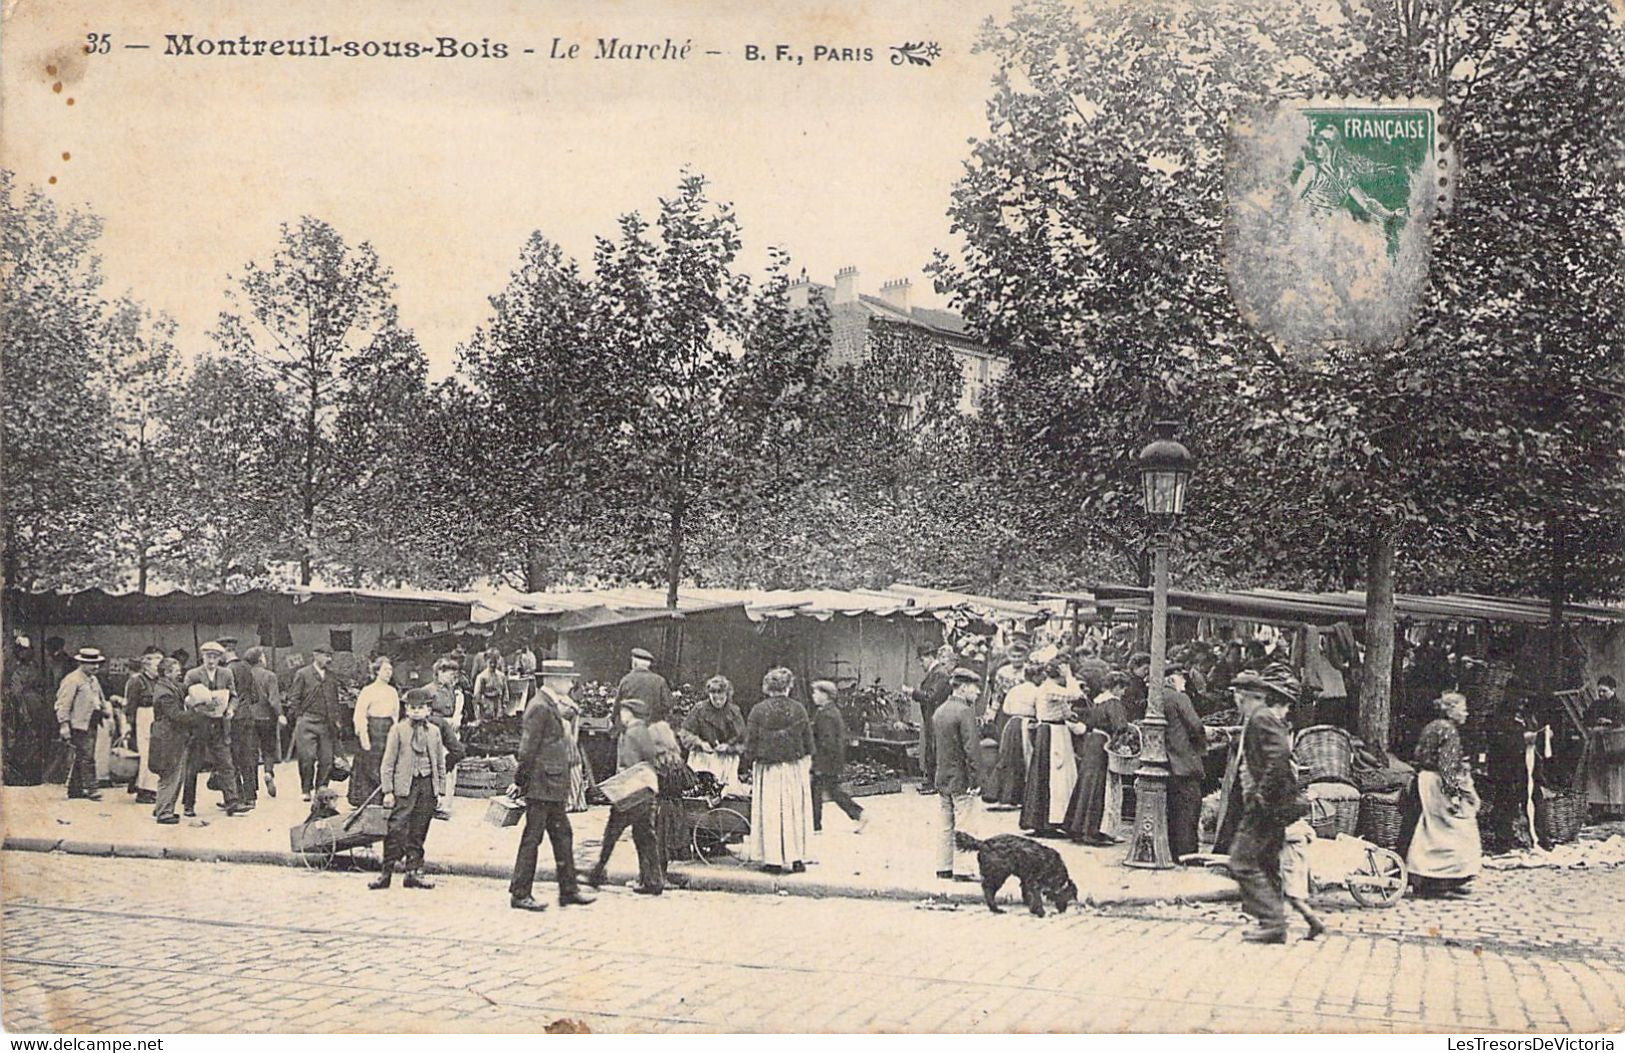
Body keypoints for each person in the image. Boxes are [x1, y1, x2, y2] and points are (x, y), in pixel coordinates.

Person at [508, 660, 596, 911]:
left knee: (562, 836)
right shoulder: (540, 707)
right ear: (554, 680)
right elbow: (527, 750)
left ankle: (568, 890)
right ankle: (520, 893)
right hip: (541, 784)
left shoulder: (549, 704)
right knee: (532, 839)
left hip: (551, 784)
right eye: (568, 680)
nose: (570, 684)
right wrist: (520, 781)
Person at [1226, 666, 1304, 944]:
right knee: (1267, 862)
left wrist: (1261, 795)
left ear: (1241, 696)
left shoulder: (1261, 718)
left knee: (1241, 861)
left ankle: (1273, 922)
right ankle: (1286, 918)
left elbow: (1280, 756)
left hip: (1265, 807)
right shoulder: (1260, 718)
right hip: (1271, 806)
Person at [1399, 692, 1482, 898]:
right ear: (1451, 710)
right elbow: (1446, 766)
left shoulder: (1433, 726)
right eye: (1463, 708)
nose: (1466, 713)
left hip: (1424, 779)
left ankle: (1430, 878)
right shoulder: (1449, 731)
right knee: (1454, 829)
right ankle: (1441, 878)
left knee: (1429, 830)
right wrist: (1454, 795)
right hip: (1437, 782)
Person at [587, 698, 665, 894]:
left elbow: (629, 766)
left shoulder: (630, 734)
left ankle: (597, 874)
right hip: (645, 793)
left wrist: (614, 788)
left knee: (611, 835)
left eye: (624, 711)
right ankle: (653, 881)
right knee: (646, 838)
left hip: (628, 794)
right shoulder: (645, 732)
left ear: (630, 713)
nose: (621, 715)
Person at [369, 688, 444, 891]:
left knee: (419, 830)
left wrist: (440, 790)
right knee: (396, 830)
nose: (417, 712)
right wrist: (387, 791)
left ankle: (413, 872)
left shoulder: (435, 732)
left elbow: (439, 762)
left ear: (429, 710)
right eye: (412, 708)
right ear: (406, 709)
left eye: (421, 708)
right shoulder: (398, 730)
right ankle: (385, 873)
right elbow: (388, 763)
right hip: (404, 787)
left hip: (426, 786)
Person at [743, 667, 815, 874]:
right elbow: (808, 742)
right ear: (789, 686)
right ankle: (796, 859)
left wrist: (748, 762)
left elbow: (750, 743)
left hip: (768, 769)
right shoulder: (798, 709)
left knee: (771, 812)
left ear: (768, 687)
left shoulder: (758, 710)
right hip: (793, 768)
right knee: (794, 811)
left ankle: (773, 860)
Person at [1064, 671, 1129, 846]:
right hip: (1103, 744)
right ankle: (1094, 831)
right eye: (1122, 689)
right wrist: (1121, 742)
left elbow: (1088, 723)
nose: (1123, 693)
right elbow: (1120, 726)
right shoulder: (1114, 703)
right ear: (1116, 687)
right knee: (1101, 786)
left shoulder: (1098, 701)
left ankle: (1078, 827)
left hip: (1092, 741)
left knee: (1087, 783)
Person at [183, 641, 246, 816]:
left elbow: (234, 696)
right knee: (193, 765)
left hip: (219, 724)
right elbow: (184, 696)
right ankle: (188, 804)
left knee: (226, 763)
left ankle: (232, 801)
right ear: (202, 657)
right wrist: (193, 703)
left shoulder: (226, 674)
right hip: (199, 724)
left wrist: (231, 709)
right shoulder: (193, 674)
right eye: (208, 656)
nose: (211, 660)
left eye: (215, 657)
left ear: (220, 658)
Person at [933, 668, 984, 880]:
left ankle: (944, 867)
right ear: (963, 688)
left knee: (945, 825)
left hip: (943, 776)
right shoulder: (964, 712)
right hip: (961, 778)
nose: (978, 692)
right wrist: (977, 779)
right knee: (966, 823)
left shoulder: (940, 710)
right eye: (974, 687)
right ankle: (964, 870)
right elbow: (972, 749)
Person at [1021, 660, 1081, 835]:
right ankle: (1050, 821)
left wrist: (1069, 714)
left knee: (1052, 776)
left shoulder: (1048, 688)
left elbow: (1064, 709)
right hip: (1053, 733)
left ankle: (1049, 820)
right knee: (1054, 776)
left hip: (1055, 730)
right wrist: (1069, 676)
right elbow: (1076, 695)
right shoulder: (1050, 688)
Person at [1163, 667, 1209, 861]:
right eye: (1182, 679)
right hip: (1183, 760)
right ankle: (1188, 854)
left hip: (1167, 761)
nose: (1184, 683)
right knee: (1189, 809)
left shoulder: (1158, 697)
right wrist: (1203, 745)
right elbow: (1196, 725)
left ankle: (1174, 851)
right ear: (1173, 679)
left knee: (1173, 809)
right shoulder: (1180, 698)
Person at [55, 647, 114, 801]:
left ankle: (75, 789)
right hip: (78, 724)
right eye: (91, 664)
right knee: (87, 757)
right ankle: (92, 788)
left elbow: (100, 698)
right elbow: (63, 704)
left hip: (92, 722)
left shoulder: (93, 679)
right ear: (81, 663)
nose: (96, 667)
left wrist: (105, 712)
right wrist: (64, 724)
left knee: (81, 755)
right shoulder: (72, 680)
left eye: (97, 664)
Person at [809, 680, 867, 834]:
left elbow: (827, 741)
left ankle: (816, 825)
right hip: (831, 760)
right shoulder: (830, 711)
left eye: (816, 692)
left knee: (820, 791)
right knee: (831, 791)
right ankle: (857, 814)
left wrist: (819, 762)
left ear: (825, 695)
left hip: (825, 761)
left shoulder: (826, 714)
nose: (813, 696)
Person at [287, 646, 342, 801]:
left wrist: (337, 721)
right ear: (315, 655)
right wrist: (299, 717)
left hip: (326, 723)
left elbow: (335, 701)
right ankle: (306, 789)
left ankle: (321, 789)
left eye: (330, 656)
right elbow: (294, 698)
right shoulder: (303, 674)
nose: (329, 659)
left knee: (327, 759)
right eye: (326, 656)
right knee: (307, 757)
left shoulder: (331, 677)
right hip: (307, 721)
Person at [989, 660, 1043, 809]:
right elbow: (1040, 712)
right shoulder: (1037, 691)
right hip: (1026, 726)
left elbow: (1006, 708)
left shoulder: (1014, 690)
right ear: (1036, 677)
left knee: (1008, 757)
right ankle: (1018, 796)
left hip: (1011, 724)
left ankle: (1003, 794)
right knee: (1024, 760)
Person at [682, 675, 747, 795]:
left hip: (726, 761)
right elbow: (685, 733)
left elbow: (743, 741)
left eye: (721, 698)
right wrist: (700, 743)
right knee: (699, 790)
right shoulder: (699, 709)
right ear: (709, 695)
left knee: (727, 792)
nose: (718, 702)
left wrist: (728, 747)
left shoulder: (734, 712)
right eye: (714, 698)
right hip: (702, 759)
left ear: (727, 696)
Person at [351, 656, 401, 807]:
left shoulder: (392, 691)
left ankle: (386, 795)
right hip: (372, 729)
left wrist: (396, 733)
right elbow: (359, 714)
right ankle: (366, 798)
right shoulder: (368, 691)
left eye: (390, 670)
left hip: (388, 728)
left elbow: (396, 714)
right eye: (385, 670)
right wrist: (363, 736)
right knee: (369, 762)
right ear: (377, 671)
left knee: (387, 761)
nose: (388, 673)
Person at [148, 657, 192, 825]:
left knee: (174, 773)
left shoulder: (167, 687)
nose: (179, 672)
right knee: (170, 773)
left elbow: (183, 688)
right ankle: (164, 811)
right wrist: (197, 713)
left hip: (171, 736)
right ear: (166, 673)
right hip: (169, 737)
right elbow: (175, 716)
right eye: (176, 670)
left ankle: (162, 807)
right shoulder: (165, 693)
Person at [222, 640, 263, 809]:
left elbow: (226, 697)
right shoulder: (246, 667)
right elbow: (255, 696)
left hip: (232, 718)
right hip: (247, 716)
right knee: (248, 756)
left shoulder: (226, 671)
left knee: (233, 758)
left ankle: (237, 797)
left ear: (224, 652)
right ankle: (250, 796)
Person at [425, 657, 468, 817]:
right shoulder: (428, 690)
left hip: (450, 734)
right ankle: (436, 803)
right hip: (436, 733)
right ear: (439, 673)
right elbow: (424, 713)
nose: (452, 677)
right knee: (437, 766)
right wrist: (444, 721)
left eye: (453, 673)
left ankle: (445, 804)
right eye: (449, 673)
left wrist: (457, 718)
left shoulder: (453, 691)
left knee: (451, 767)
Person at [910, 644, 955, 794]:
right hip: (932, 716)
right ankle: (931, 781)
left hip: (937, 717)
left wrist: (913, 693)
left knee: (936, 748)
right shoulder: (935, 673)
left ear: (930, 657)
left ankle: (935, 783)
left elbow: (931, 696)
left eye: (922, 660)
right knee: (932, 747)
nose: (920, 664)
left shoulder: (940, 673)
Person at [123, 647, 165, 804]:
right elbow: (130, 705)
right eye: (156, 665)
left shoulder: (159, 681)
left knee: (156, 753)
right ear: (146, 665)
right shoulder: (137, 681)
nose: (159, 669)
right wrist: (129, 724)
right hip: (143, 717)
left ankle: (152, 788)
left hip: (157, 717)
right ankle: (144, 790)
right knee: (146, 753)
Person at [245, 647, 285, 798]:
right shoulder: (269, 676)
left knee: (251, 752)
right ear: (261, 659)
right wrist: (280, 714)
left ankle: (252, 787)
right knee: (269, 749)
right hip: (266, 717)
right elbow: (274, 699)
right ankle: (268, 772)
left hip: (249, 717)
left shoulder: (245, 674)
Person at [1280, 818, 1326, 940]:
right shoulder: (1302, 828)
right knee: (1288, 898)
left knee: (1293, 898)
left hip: (1291, 868)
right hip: (1295, 867)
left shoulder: (1294, 830)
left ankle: (1314, 923)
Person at [616, 647, 675, 724]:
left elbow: (617, 706)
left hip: (631, 728)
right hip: (652, 729)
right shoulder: (660, 681)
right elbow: (668, 705)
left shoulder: (626, 680)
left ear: (634, 664)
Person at [472, 648, 509, 725]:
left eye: (495, 662)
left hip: (498, 706)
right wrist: (483, 705)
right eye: (490, 662)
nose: (493, 665)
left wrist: (504, 704)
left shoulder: (501, 676)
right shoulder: (481, 677)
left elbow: (505, 691)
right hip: (486, 706)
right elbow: (477, 695)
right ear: (486, 661)